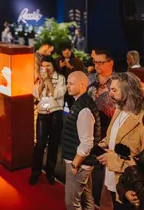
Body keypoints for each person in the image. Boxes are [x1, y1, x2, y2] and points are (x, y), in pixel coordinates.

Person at [97, 72, 144, 210]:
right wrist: (105, 142)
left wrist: (110, 158)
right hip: (111, 180)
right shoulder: (119, 110)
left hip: (129, 189)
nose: (110, 94)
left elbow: (139, 160)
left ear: (128, 91)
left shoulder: (141, 120)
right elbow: (115, 133)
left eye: (114, 90)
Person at [61, 71, 101, 210]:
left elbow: (87, 142)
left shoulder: (84, 108)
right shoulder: (81, 103)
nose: (68, 86)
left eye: (71, 83)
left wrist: (75, 164)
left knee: (72, 203)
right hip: (81, 162)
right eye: (67, 83)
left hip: (79, 163)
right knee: (86, 198)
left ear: (82, 84)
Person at [29, 56, 66, 186]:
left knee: (53, 145)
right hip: (42, 113)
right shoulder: (40, 78)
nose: (46, 69)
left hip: (55, 113)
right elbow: (36, 95)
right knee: (39, 144)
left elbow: (58, 94)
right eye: (43, 66)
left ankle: (50, 172)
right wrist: (41, 82)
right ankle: (35, 171)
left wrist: (48, 81)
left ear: (53, 66)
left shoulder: (60, 78)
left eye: (48, 66)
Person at [87, 50, 116, 139]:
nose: (97, 65)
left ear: (110, 63)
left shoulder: (119, 81)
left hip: (110, 128)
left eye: (100, 62)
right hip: (89, 127)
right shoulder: (89, 79)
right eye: (95, 62)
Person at [55, 42, 84, 109]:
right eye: (64, 53)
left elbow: (81, 74)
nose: (66, 54)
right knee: (59, 107)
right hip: (60, 88)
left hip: (72, 88)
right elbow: (54, 74)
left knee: (73, 107)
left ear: (71, 51)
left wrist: (71, 67)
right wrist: (60, 67)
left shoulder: (77, 61)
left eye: (68, 53)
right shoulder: (57, 60)